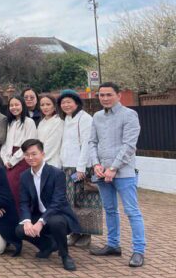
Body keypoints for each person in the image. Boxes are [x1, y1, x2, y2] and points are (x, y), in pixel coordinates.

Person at [88, 82, 145, 267]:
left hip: (124, 173)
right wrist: (96, 164)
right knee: (110, 210)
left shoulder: (129, 115)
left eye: (108, 94)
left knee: (132, 211)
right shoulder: (96, 117)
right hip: (102, 172)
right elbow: (92, 142)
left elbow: (129, 146)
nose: (104, 98)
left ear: (118, 95)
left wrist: (113, 168)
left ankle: (138, 250)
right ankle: (113, 245)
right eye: (101, 95)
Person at [16, 139, 80, 271]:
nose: (30, 157)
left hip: (58, 215)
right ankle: (48, 245)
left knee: (56, 222)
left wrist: (41, 222)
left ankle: (65, 255)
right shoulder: (24, 176)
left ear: (43, 154)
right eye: (27, 155)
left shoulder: (57, 174)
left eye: (34, 154)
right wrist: (27, 221)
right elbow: (24, 202)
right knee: (20, 230)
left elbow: (58, 202)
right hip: (38, 214)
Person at [58, 89, 100, 248]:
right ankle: (75, 231)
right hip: (67, 166)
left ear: (77, 103)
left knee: (85, 201)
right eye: (63, 102)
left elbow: (87, 144)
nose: (66, 105)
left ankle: (86, 235)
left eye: (69, 102)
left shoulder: (85, 118)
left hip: (81, 167)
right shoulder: (67, 118)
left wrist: (81, 168)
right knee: (71, 201)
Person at [1, 96, 38, 209]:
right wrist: (5, 159)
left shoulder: (29, 122)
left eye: (17, 105)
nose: (14, 107)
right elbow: (5, 144)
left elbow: (28, 144)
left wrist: (13, 160)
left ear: (22, 106)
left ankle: (22, 216)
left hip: (22, 159)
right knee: (7, 188)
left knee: (17, 188)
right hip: (9, 158)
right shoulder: (10, 123)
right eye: (11, 105)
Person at [37, 94, 63, 167]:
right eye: (42, 105)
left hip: (52, 161)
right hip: (40, 160)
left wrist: (40, 160)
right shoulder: (41, 122)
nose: (45, 107)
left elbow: (52, 144)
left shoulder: (58, 121)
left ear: (54, 106)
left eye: (48, 104)